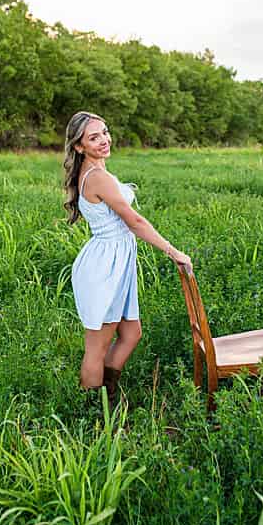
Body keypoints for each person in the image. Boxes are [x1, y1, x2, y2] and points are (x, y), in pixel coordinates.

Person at [62, 112, 194, 408]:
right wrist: (173, 252)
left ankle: (108, 395)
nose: (104, 140)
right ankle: (93, 414)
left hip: (116, 264)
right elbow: (134, 220)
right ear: (79, 146)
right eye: (94, 137)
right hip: (104, 269)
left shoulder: (98, 171)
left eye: (105, 132)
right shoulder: (97, 177)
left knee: (131, 333)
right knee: (97, 348)